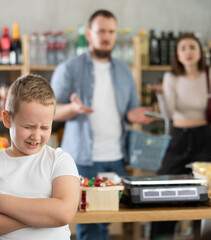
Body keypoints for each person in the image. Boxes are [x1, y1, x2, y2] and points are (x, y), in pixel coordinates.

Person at [51, 9, 152, 240]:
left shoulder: (126, 72)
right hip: (82, 160)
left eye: (111, 31)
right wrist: (73, 109)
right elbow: (51, 112)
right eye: (101, 31)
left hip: (117, 158)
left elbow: (129, 112)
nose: (106, 36)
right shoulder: (69, 68)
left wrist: (133, 117)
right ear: (89, 34)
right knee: (89, 225)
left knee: (109, 220)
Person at [0, 74, 80, 240]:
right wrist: (42, 215)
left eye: (44, 128)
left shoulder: (60, 161)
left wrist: (1, 203)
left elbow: (63, 213)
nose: (36, 136)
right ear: (7, 119)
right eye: (28, 126)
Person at [148, 33, 211, 240]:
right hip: (178, 138)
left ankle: (204, 236)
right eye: (183, 48)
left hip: (204, 137)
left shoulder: (210, 73)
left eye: (192, 47)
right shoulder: (171, 77)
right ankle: (162, 237)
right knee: (164, 192)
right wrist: (160, 94)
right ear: (177, 54)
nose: (188, 51)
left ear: (200, 52)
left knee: (205, 194)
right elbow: (168, 113)